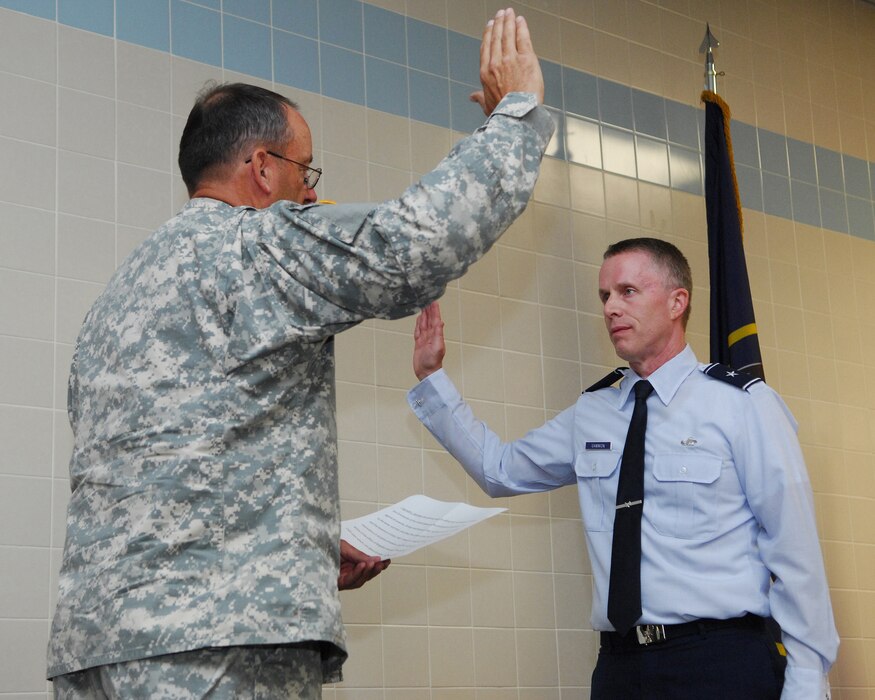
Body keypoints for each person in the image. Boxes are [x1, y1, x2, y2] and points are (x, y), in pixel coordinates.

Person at [48, 7, 554, 698]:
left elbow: (181, 453)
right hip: (215, 650)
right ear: (260, 168)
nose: (310, 191)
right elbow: (412, 244)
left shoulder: (116, 299)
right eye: (302, 168)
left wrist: (294, 547)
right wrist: (515, 117)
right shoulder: (252, 246)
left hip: (98, 649)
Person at [408, 237, 838, 699]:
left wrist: (807, 681)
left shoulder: (742, 405)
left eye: (628, 291)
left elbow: (796, 555)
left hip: (720, 662)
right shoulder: (594, 409)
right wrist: (432, 379)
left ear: (678, 301)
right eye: (605, 296)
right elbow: (500, 470)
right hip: (620, 668)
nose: (611, 307)